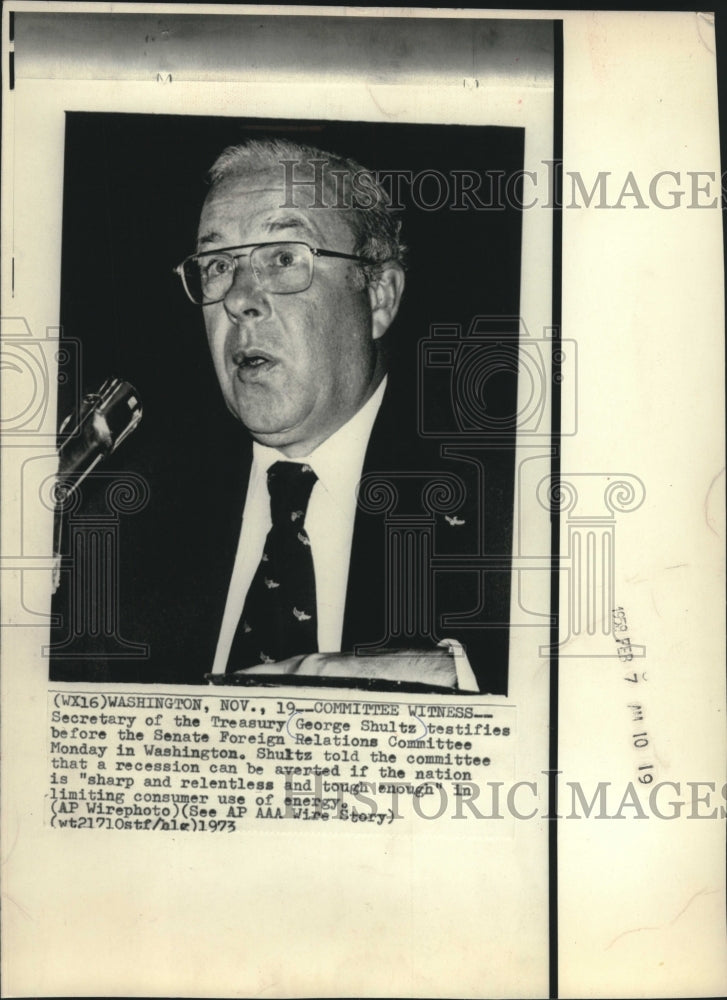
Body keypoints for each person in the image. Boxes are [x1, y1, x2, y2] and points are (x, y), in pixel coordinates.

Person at [174, 138, 488, 692]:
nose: (239, 299)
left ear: (379, 297)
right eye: (218, 264)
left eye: (284, 258)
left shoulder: (500, 497)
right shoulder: (129, 502)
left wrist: (454, 677)